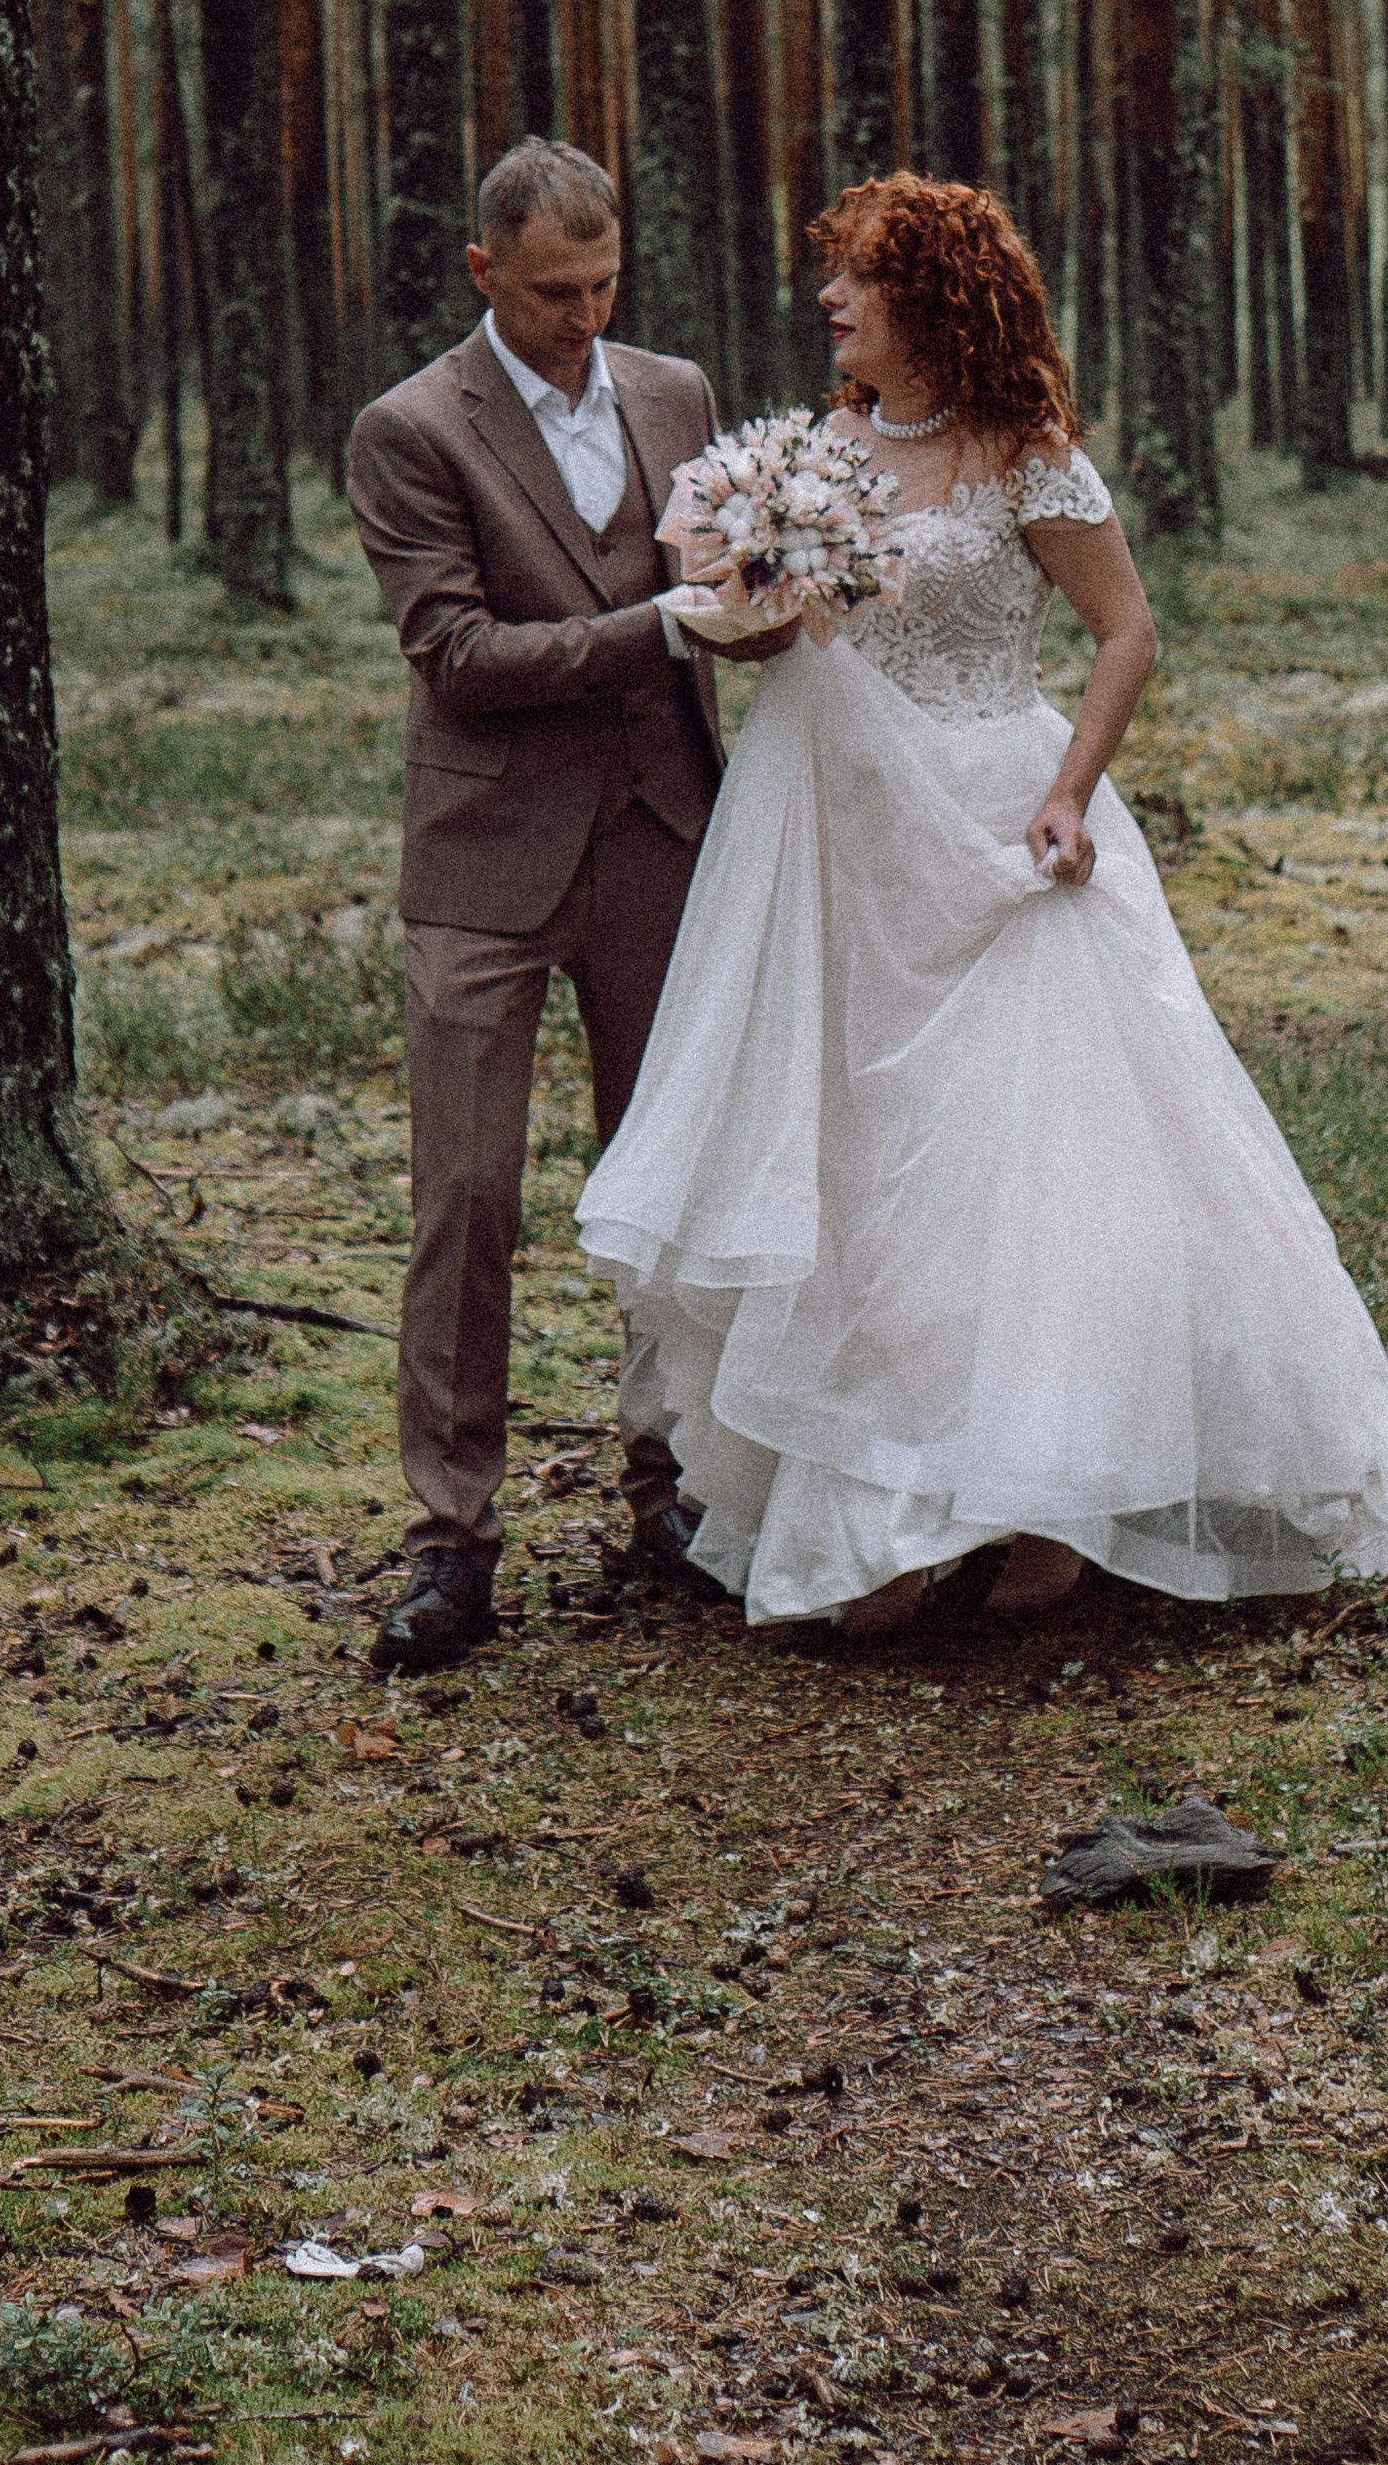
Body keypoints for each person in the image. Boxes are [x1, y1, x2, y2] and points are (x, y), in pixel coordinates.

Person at [578, 171, 1388, 1633]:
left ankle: (1052, 1507)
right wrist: (746, 603)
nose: (830, 299)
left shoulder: (1025, 454)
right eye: (832, 275)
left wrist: (1071, 792)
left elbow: (1125, 629)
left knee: (1026, 1171)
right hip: (845, 836)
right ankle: (890, 1506)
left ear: (931, 297)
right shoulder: (823, 447)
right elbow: (784, 640)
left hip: (997, 828)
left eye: (856, 277)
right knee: (869, 1163)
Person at [345, 138, 782, 1672]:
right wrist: (656, 624)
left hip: (665, 840)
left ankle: (672, 1492)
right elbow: (456, 656)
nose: (584, 319)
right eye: (550, 295)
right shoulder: (408, 431)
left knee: (669, 1188)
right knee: (466, 1202)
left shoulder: (680, 394)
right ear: (483, 274)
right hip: (484, 863)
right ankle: (449, 1544)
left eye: (604, 286)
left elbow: (731, 582)